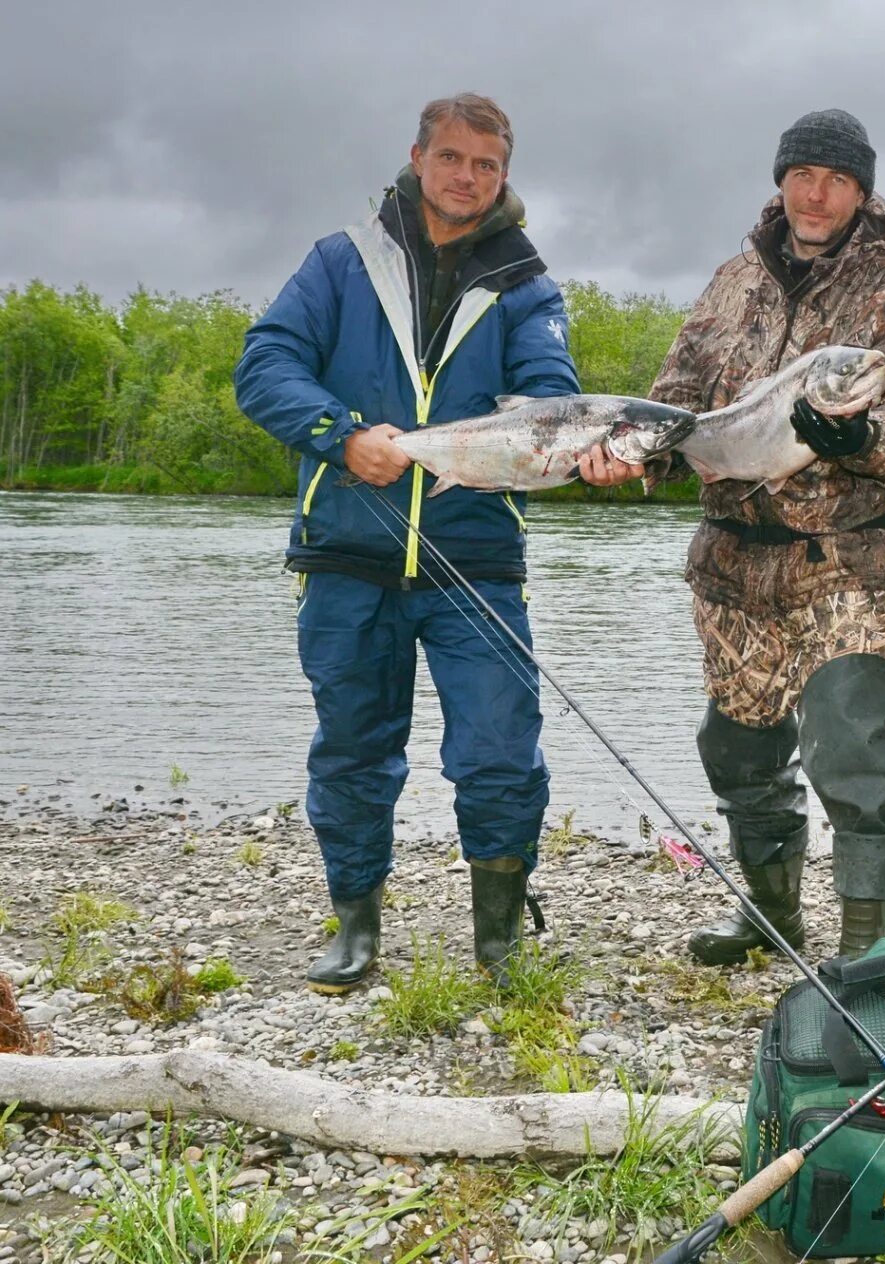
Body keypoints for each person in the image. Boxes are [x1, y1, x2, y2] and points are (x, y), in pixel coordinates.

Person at [236, 93, 617, 993]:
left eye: (486, 166)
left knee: (498, 748)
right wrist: (338, 432)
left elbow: (549, 393)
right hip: (346, 554)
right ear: (417, 157)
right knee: (353, 748)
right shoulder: (341, 261)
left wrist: (577, 454)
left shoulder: (528, 286)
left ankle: (497, 940)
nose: (467, 178)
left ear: (504, 175)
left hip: (477, 558)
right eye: (452, 158)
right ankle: (355, 928)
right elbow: (265, 366)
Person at [637, 109, 885, 964]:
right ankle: (773, 918)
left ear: (861, 194)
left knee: (855, 740)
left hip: (845, 557)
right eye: (803, 173)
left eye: (837, 179)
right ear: (781, 181)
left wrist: (865, 439)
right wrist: (637, 457)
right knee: (737, 744)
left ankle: (867, 950)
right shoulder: (732, 282)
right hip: (732, 559)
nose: (817, 192)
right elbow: (678, 396)